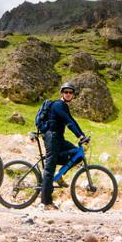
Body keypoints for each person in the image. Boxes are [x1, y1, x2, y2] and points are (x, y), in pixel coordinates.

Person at [40, 82, 87, 210]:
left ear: (73, 95)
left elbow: (73, 121)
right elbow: (68, 123)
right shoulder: (58, 105)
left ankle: (59, 175)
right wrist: (79, 136)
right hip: (51, 137)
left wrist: (83, 135)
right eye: (65, 92)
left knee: (77, 154)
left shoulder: (65, 107)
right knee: (49, 168)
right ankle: (46, 202)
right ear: (62, 93)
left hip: (59, 139)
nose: (68, 94)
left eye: (70, 92)